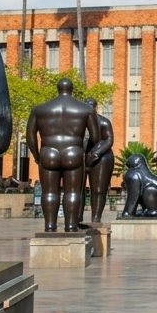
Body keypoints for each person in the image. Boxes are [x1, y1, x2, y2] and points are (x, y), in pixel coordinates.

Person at [25, 78, 102, 232]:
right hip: (74, 152)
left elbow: (30, 136)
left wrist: (36, 155)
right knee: (72, 192)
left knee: (49, 192)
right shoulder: (86, 109)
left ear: (58, 88)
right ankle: (71, 226)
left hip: (48, 152)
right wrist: (87, 153)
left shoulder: (39, 109)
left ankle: (49, 226)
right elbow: (96, 137)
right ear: (71, 89)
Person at [82, 97, 115, 223]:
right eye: (86, 105)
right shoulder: (78, 122)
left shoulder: (104, 122)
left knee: (98, 190)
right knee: (78, 190)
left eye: (91, 105)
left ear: (95, 107)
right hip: (81, 157)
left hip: (101, 157)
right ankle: (77, 218)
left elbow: (109, 140)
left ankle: (96, 218)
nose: (89, 108)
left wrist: (95, 153)